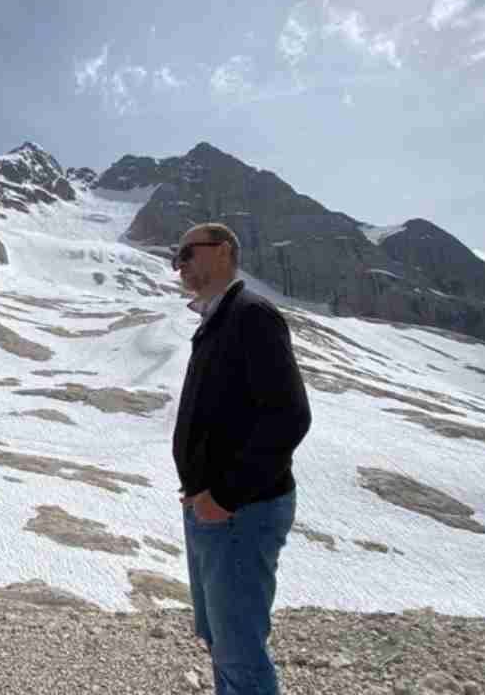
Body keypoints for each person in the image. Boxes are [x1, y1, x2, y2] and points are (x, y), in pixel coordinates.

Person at [171, 222, 311, 695]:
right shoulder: (219, 317)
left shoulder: (251, 315)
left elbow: (290, 416)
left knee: (239, 650)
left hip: (239, 512)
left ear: (224, 251)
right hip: (213, 509)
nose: (179, 264)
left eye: (188, 253)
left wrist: (226, 495)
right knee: (221, 640)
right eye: (176, 257)